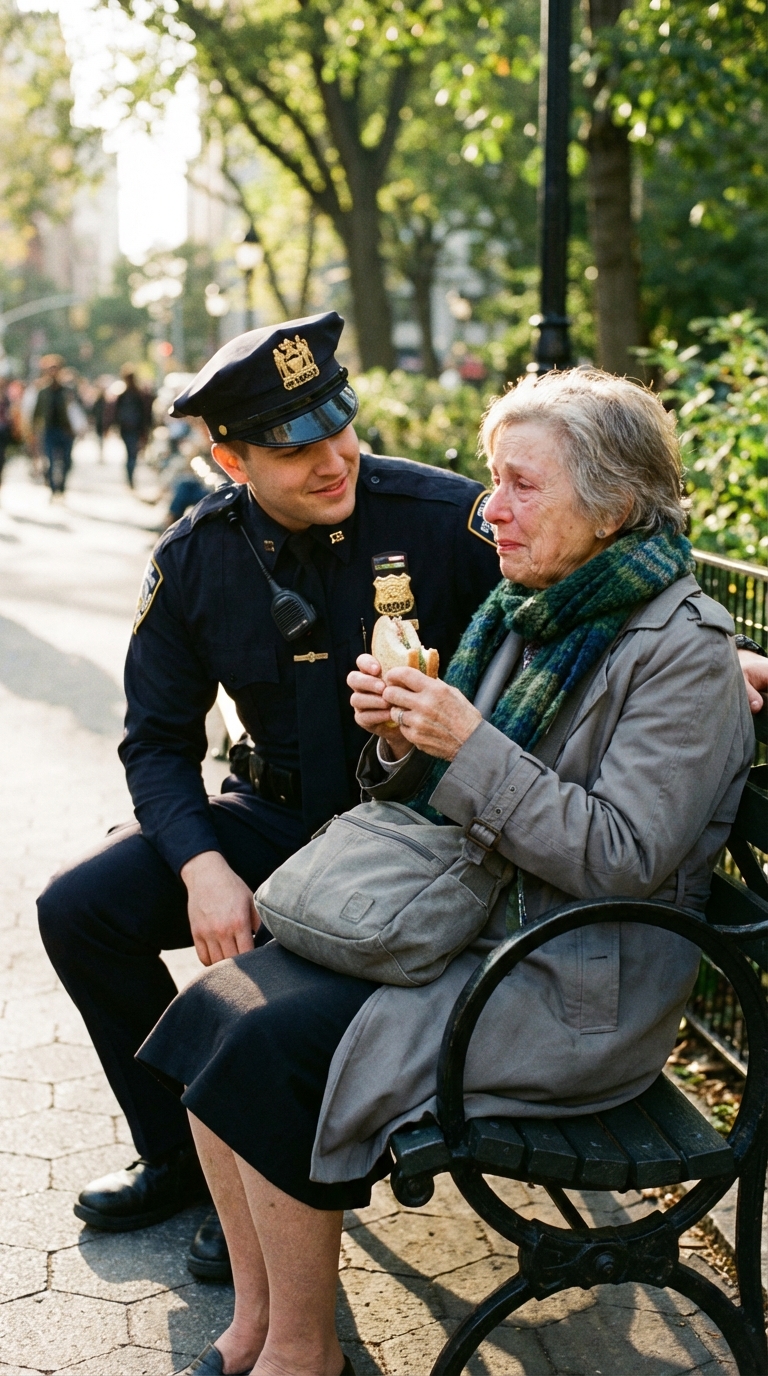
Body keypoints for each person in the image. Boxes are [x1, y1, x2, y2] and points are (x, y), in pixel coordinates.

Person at [136, 366, 757, 1376]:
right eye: (492, 478)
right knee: (220, 1002)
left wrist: (465, 745)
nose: (490, 510)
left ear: (610, 503)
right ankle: (253, 1322)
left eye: (520, 485)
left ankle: (303, 1352)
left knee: (271, 1047)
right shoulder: (539, 600)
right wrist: (400, 736)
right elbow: (449, 778)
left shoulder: (681, 650)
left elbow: (627, 860)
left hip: (573, 979)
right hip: (483, 922)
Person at [36, 312, 501, 1280]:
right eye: (294, 447)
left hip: (412, 833)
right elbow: (158, 742)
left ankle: (265, 1177)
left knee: (261, 992)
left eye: (339, 424)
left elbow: (582, 591)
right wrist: (205, 869)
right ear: (231, 459)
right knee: (79, 908)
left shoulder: (442, 517)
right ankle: (181, 1159)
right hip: (274, 816)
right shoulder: (195, 556)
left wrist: (719, 655)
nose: (334, 459)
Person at [33, 354, 75, 498]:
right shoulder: (42, 391)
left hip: (66, 430)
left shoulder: (67, 390)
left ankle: (62, 487)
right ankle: (53, 489)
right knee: (50, 461)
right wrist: (33, 431)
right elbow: (36, 412)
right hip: (49, 430)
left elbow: (76, 410)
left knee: (67, 462)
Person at [115, 365, 152, 486]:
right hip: (134, 428)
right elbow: (145, 413)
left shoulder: (124, 395)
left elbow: (116, 413)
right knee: (132, 454)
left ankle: (130, 477)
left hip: (127, 428)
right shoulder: (138, 395)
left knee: (130, 453)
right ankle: (130, 478)